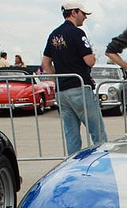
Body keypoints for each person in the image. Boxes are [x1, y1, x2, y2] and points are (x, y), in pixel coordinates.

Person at [42, 1, 107, 155]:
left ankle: (73, 167)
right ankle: (103, 164)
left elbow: (45, 63)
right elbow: (89, 61)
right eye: (83, 14)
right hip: (80, 88)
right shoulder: (78, 33)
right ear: (74, 12)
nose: (85, 17)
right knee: (98, 133)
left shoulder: (53, 34)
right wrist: (93, 55)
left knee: (71, 136)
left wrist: (55, 80)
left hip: (62, 91)